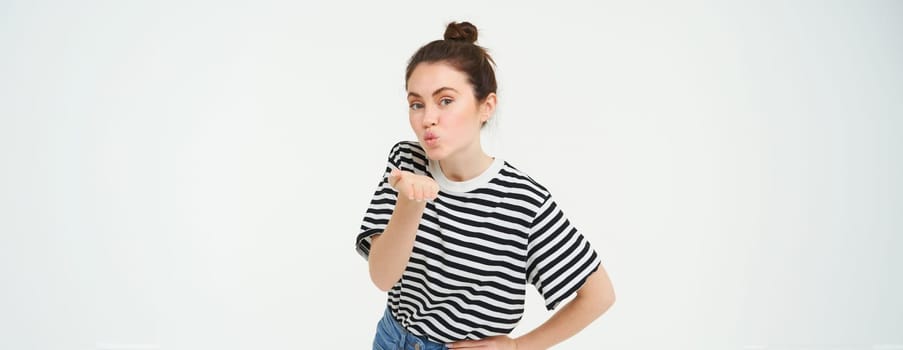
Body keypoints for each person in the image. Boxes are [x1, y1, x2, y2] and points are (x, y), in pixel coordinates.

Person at [355, 21, 615, 350]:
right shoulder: (407, 160)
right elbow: (382, 278)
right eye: (417, 103)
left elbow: (599, 295)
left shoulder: (524, 201)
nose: (427, 118)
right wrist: (411, 201)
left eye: (445, 100)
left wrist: (519, 346)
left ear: (486, 106)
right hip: (392, 339)